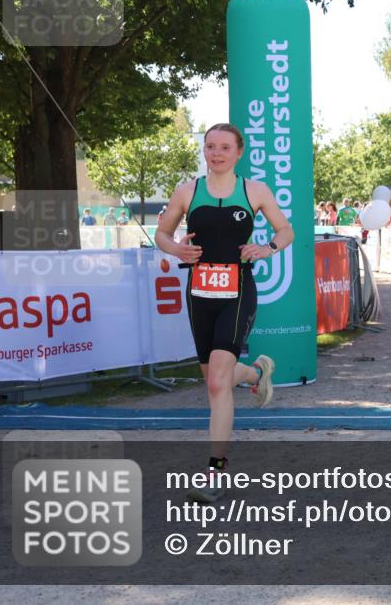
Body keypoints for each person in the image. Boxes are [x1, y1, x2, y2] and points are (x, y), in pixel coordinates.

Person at [155, 122, 293, 504]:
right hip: (200, 294)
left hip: (238, 291)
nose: (216, 153)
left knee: (217, 384)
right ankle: (256, 373)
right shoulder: (187, 191)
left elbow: (286, 231)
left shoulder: (255, 191)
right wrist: (176, 248)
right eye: (210, 146)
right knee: (215, 380)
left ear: (238, 152)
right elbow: (162, 233)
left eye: (224, 147)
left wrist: (267, 248)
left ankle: (214, 472)